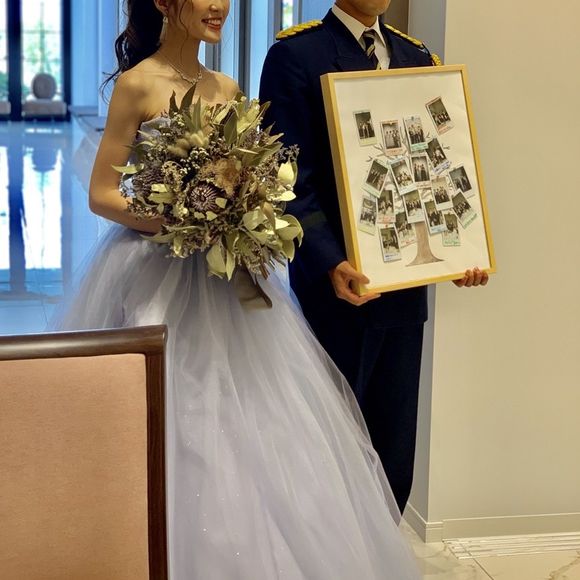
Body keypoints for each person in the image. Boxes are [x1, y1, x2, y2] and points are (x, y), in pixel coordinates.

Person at [50, 1, 424, 578]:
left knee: (259, 422)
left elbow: (265, 181)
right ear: (164, 3)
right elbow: (102, 194)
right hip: (159, 272)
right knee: (176, 412)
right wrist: (184, 219)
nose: (220, 6)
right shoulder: (137, 84)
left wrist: (242, 212)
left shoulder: (227, 88)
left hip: (229, 277)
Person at [260, 0, 488, 514]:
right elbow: (285, 181)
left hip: (404, 292)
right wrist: (328, 261)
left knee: (394, 452)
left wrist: (459, 249)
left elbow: (438, 164)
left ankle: (384, 549)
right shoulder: (296, 55)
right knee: (328, 449)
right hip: (333, 292)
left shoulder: (417, 58)